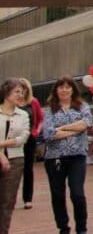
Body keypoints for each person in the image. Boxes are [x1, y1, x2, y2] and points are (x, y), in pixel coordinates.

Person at [41, 76, 93, 234]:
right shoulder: (49, 109)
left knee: (77, 193)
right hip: (54, 158)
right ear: (56, 90)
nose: (64, 90)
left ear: (73, 89)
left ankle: (81, 228)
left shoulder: (82, 106)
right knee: (58, 195)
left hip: (77, 156)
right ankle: (63, 227)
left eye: (68, 87)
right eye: (61, 87)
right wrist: (74, 129)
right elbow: (49, 134)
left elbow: (86, 123)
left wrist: (62, 128)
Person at [0, 79, 30, 233]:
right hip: (2, 158)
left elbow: (22, 139)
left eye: (22, 92)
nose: (21, 95)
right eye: (17, 91)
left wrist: (1, 145)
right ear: (6, 93)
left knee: (8, 202)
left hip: (15, 160)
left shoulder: (23, 114)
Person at [16, 78, 42, 210]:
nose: (22, 91)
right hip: (14, 140)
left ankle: (27, 199)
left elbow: (40, 118)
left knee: (28, 169)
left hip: (30, 139)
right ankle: (9, 197)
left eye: (24, 88)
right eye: (19, 88)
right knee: (13, 168)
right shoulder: (12, 102)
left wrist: (36, 131)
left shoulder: (33, 101)